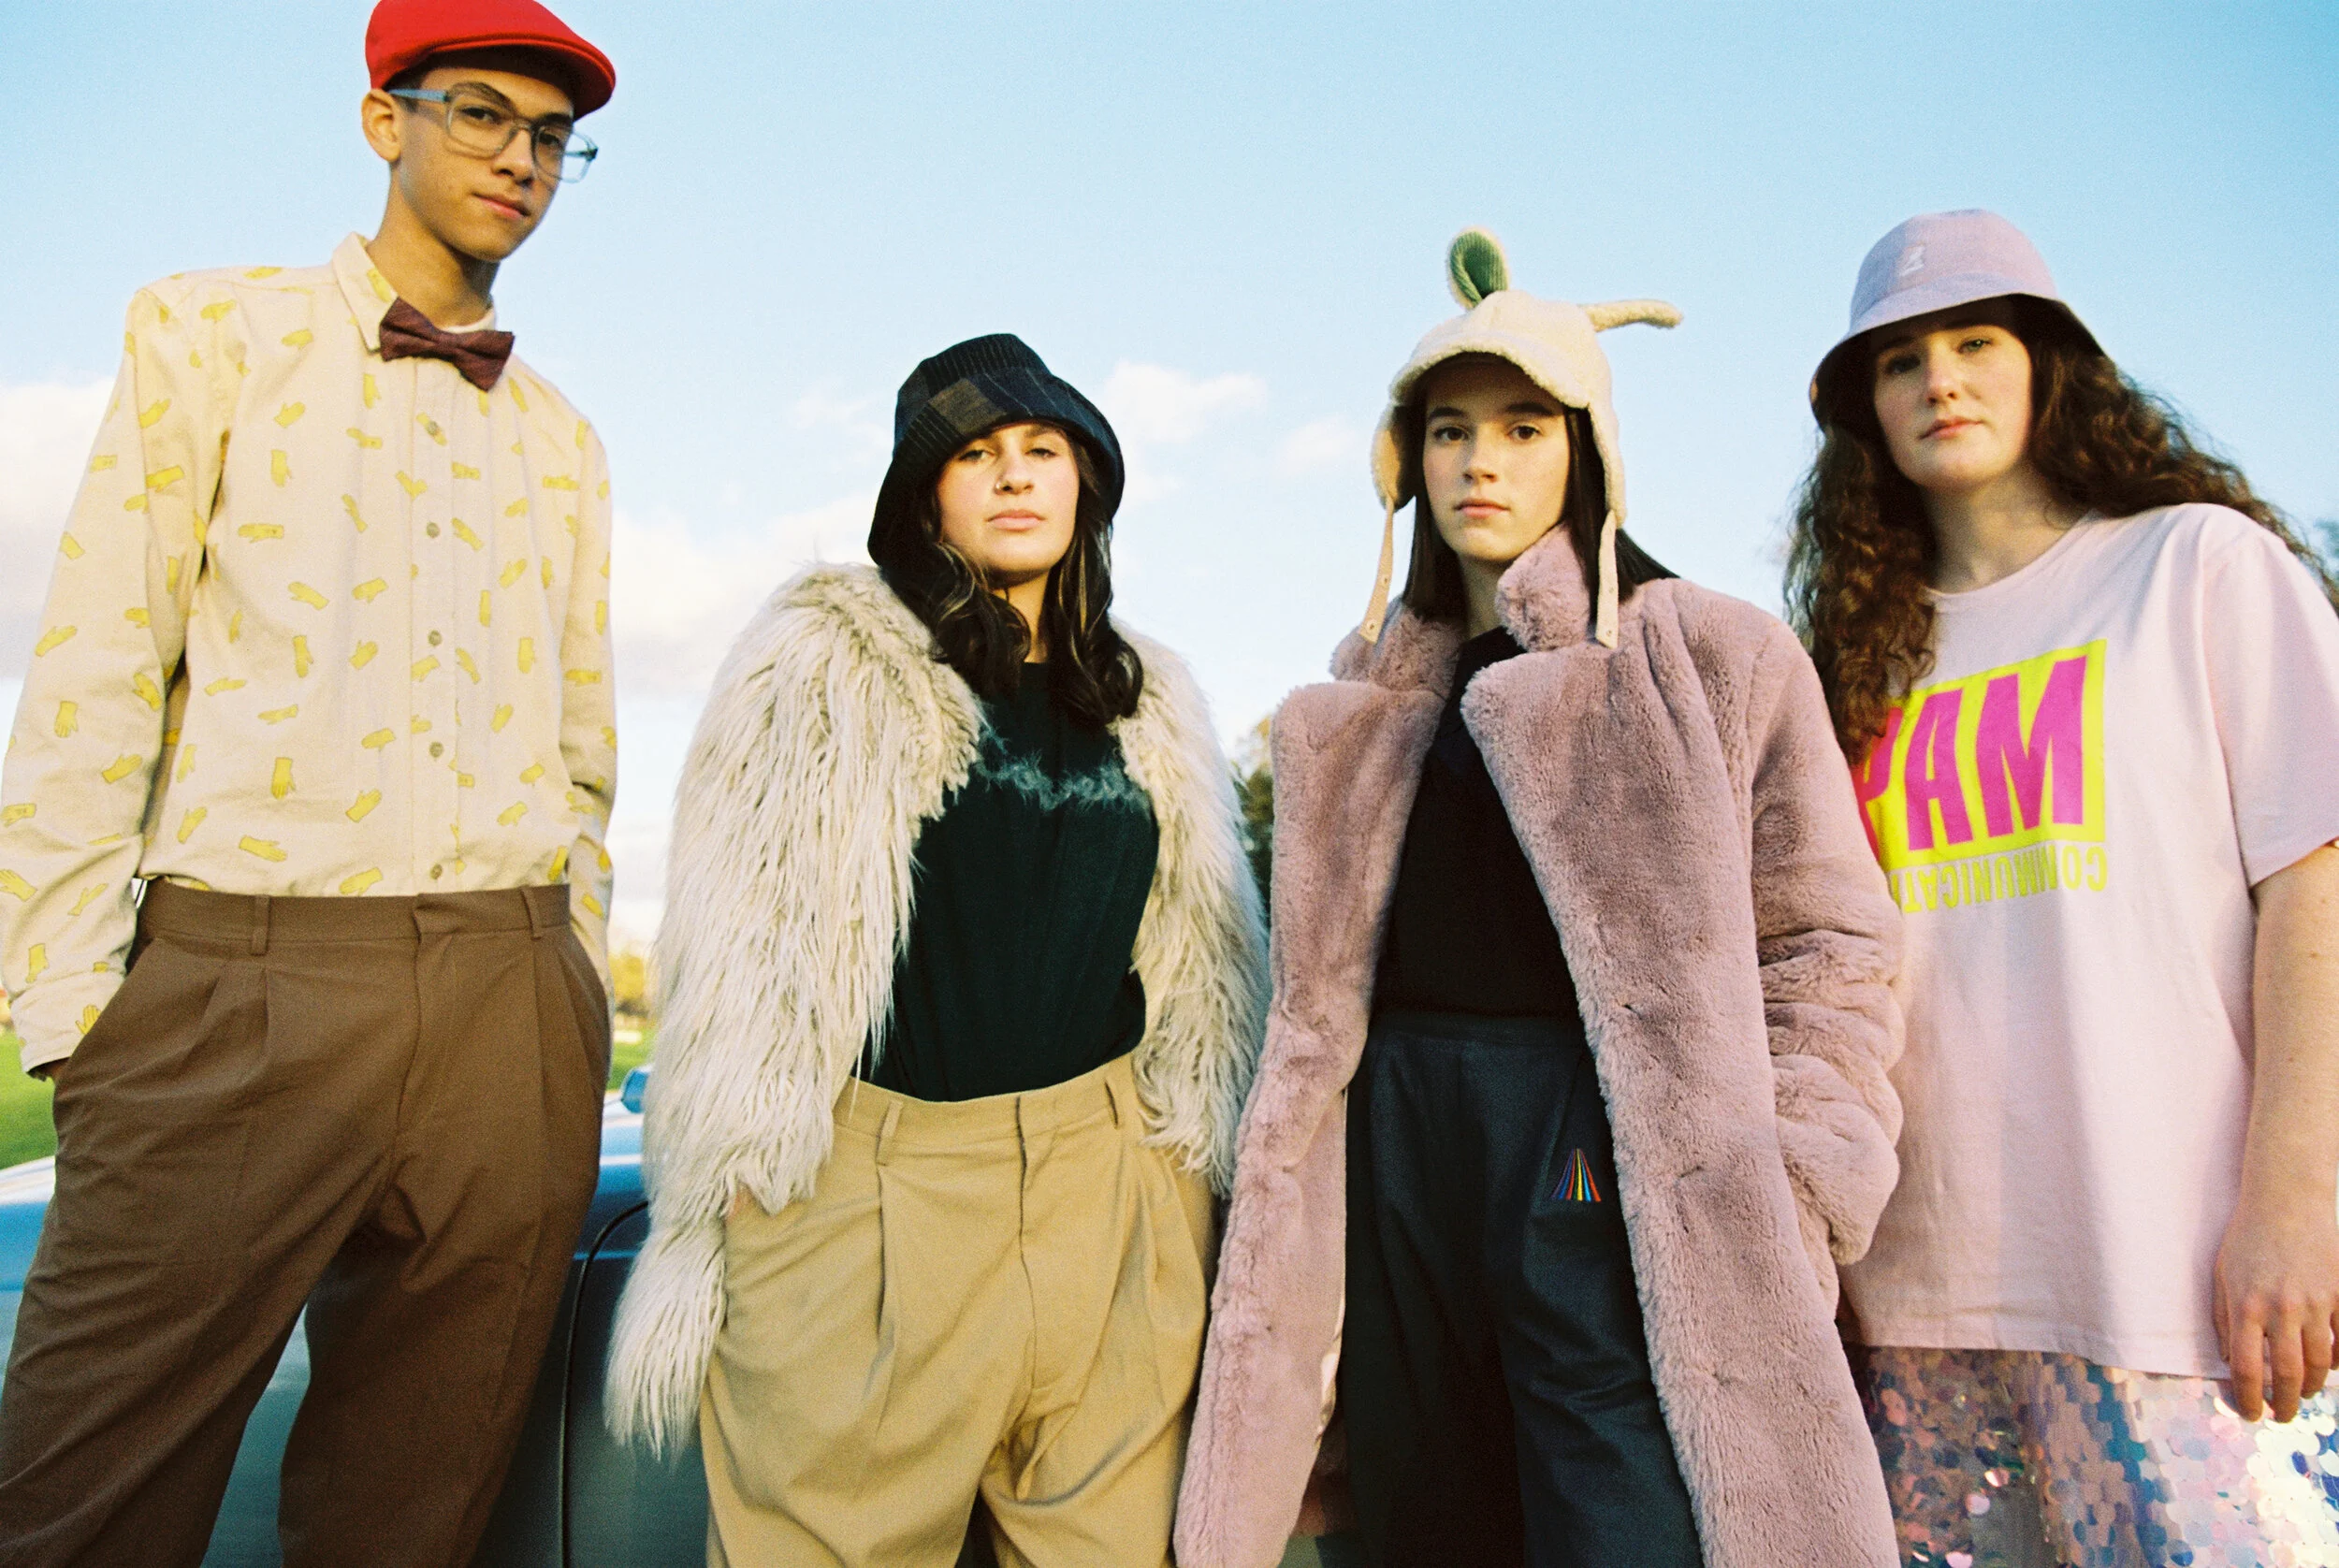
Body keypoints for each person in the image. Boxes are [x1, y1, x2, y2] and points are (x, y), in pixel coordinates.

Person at [1175, 230, 1907, 1568]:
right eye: (1448, 431)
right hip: (1401, 1138)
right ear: (1407, 460)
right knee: (1421, 1496)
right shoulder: (1362, 696)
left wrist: (1799, 1185)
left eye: (1523, 427)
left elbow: (1827, 939)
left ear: (1587, 446)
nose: (1482, 462)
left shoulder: (1709, 649)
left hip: (1582, 1133)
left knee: (1616, 1494)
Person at [0, 2, 619, 1561]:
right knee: (78, 1504)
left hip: (507, 1004)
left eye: (553, 138)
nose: (522, 159)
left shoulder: (564, 439)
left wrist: (570, 981)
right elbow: (94, 669)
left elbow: (582, 746)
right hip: (242, 983)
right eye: (482, 113)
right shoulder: (209, 333)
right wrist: (74, 1014)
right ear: (382, 121)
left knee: (416, 1517)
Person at [604, 334, 1266, 1567]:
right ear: (925, 497)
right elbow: (743, 942)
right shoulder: (827, 665)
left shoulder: (1150, 694)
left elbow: (1207, 963)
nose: (1014, 475)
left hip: (1116, 1194)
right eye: (976, 455)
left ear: (1085, 481)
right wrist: (740, 1188)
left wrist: (1191, 1185)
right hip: (875, 1192)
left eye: (1042, 449)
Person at [1790, 209, 2339, 1565]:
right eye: (1901, 361)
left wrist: (2297, 1200)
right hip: (1914, 1301)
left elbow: (2314, 891)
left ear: (2049, 365)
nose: (1941, 381)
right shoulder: (1848, 661)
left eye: (1977, 342)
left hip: (2177, 1284)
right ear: (1867, 409)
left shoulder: (2197, 565)